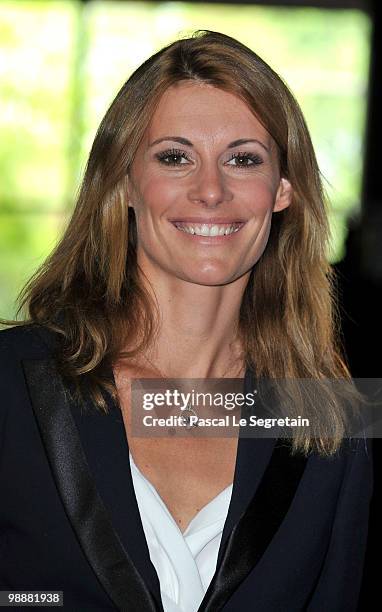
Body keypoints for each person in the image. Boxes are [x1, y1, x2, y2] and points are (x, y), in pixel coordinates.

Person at [0, 30, 372, 611]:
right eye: (175, 157)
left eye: (242, 159)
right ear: (123, 183)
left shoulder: (333, 418)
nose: (210, 190)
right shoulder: (11, 383)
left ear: (282, 190)